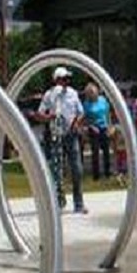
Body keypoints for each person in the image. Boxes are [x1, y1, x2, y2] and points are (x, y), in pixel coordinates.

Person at [36, 66, 87, 213]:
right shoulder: (49, 95)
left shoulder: (73, 93)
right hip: (55, 135)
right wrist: (49, 117)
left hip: (71, 135)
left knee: (77, 168)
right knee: (56, 170)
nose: (67, 81)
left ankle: (79, 203)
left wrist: (76, 122)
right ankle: (58, 201)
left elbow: (81, 112)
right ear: (56, 80)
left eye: (68, 79)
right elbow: (40, 114)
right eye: (64, 79)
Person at [83, 83, 112, 181]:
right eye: (89, 93)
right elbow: (85, 118)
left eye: (93, 92)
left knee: (106, 151)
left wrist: (109, 126)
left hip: (104, 127)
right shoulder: (86, 104)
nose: (92, 95)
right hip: (94, 128)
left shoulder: (103, 100)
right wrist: (91, 126)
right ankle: (96, 175)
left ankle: (108, 172)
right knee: (95, 152)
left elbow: (107, 113)